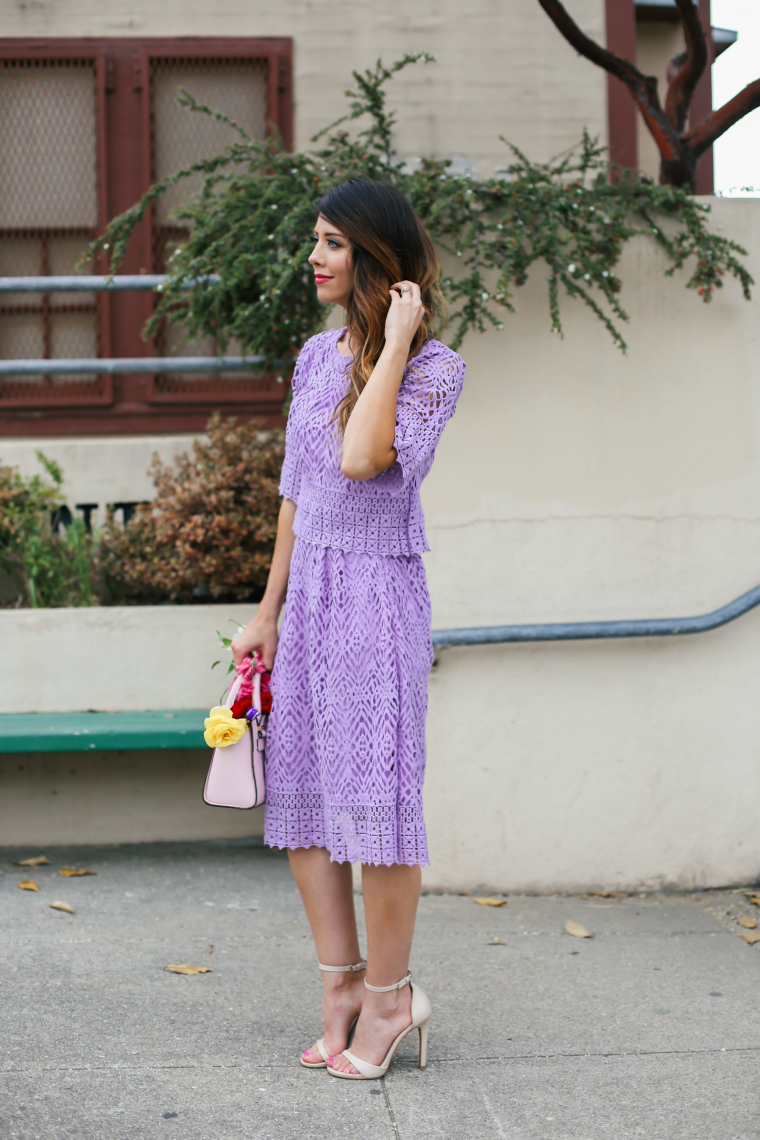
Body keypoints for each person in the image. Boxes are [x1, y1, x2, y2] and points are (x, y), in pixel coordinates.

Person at [231, 178, 466, 1080]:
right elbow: (300, 485)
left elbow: (364, 461)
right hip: (312, 599)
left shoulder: (436, 370)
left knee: (375, 813)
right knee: (305, 808)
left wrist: (397, 342)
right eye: (316, 240)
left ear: (377, 257)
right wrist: (267, 611)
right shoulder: (313, 355)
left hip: (377, 600)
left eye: (333, 242)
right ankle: (338, 987)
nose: (316, 256)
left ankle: (390, 999)